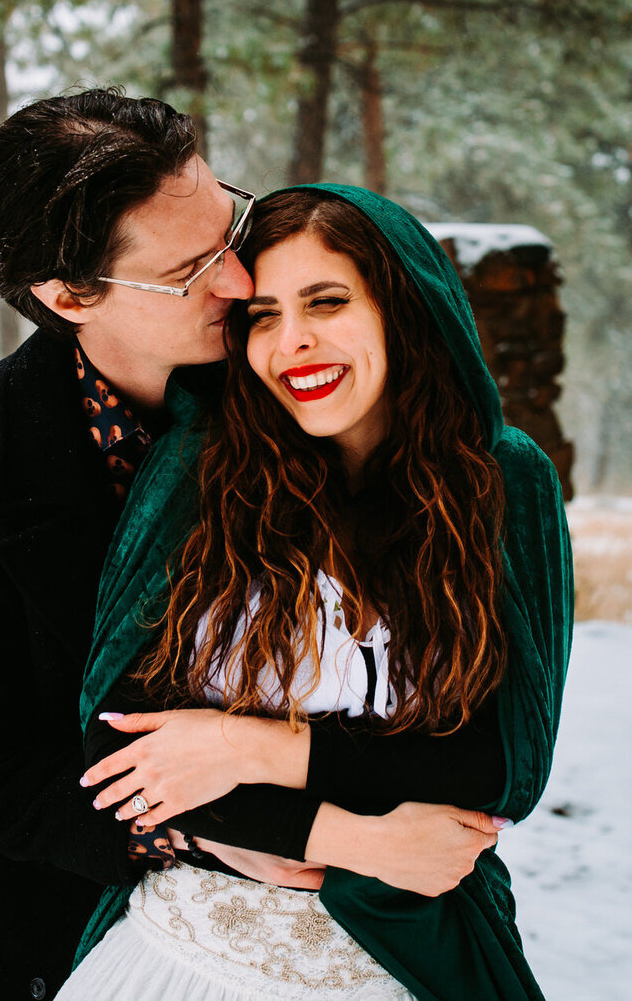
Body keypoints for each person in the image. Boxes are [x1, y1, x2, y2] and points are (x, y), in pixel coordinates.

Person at [0, 91, 512, 1001]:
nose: (240, 283)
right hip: (29, 932)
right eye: (189, 268)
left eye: (230, 226)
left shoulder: (295, 388)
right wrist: (217, 829)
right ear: (68, 296)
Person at [62, 184, 574, 1001]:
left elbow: (497, 766)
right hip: (181, 954)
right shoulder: (202, 469)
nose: (292, 343)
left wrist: (241, 749)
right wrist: (350, 836)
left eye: (327, 302)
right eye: (262, 316)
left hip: (401, 962)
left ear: (403, 308)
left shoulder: (503, 480)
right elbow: (120, 753)